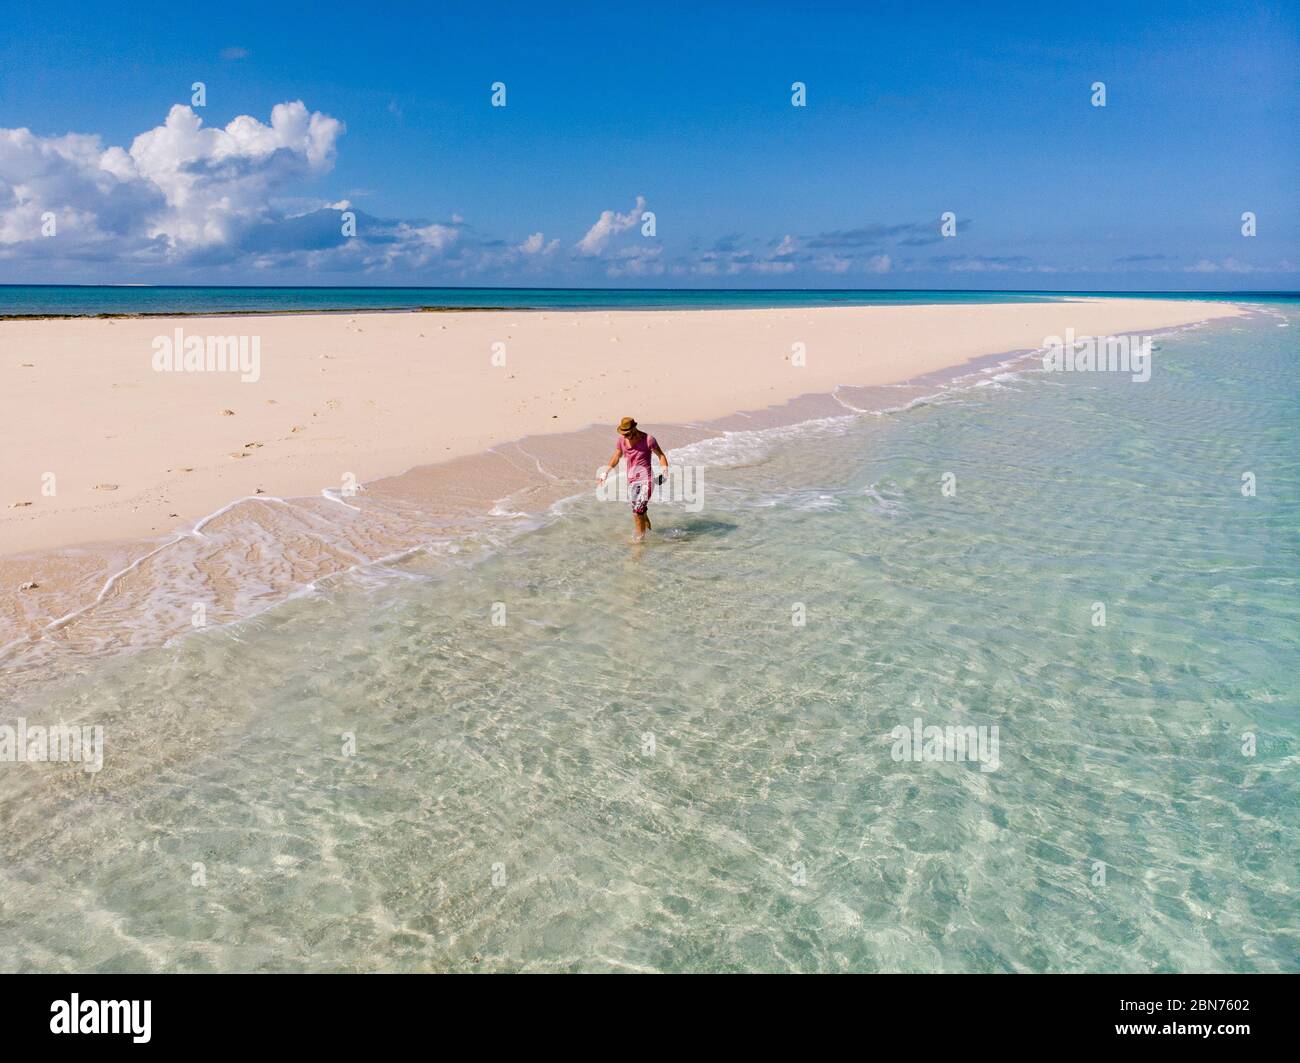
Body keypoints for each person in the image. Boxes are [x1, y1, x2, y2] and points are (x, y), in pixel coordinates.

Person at [598, 416, 668, 542]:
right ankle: (649, 534)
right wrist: (606, 472)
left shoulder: (648, 440)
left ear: (635, 428)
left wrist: (665, 472)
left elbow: (661, 455)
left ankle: (639, 541)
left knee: (638, 511)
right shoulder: (621, 441)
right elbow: (617, 456)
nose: (626, 436)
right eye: (624, 434)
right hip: (632, 481)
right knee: (642, 512)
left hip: (647, 480)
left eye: (628, 433)